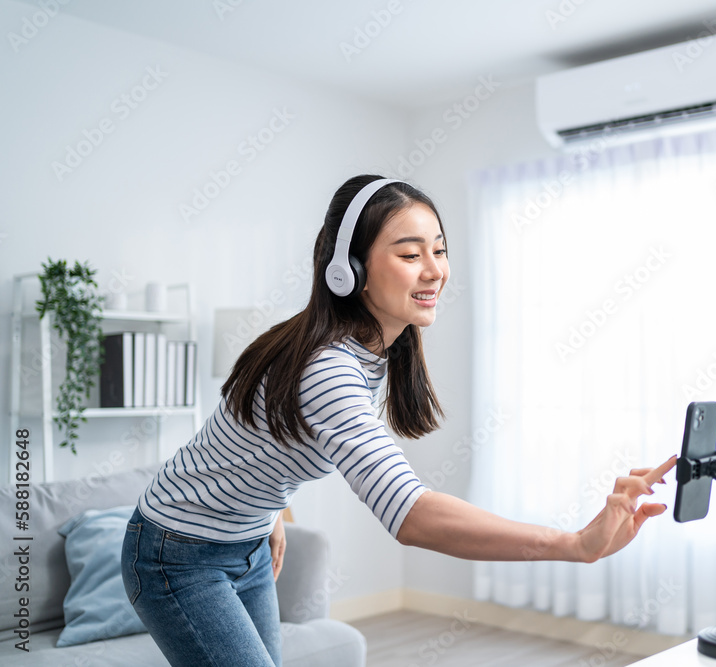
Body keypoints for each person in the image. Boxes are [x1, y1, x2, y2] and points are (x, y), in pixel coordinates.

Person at [121, 175, 677, 666]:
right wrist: (573, 543)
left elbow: (256, 439)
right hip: (177, 554)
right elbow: (409, 515)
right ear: (349, 271)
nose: (435, 270)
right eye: (411, 255)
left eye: (439, 250)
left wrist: (271, 510)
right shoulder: (328, 367)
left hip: (241, 546)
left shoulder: (370, 352)